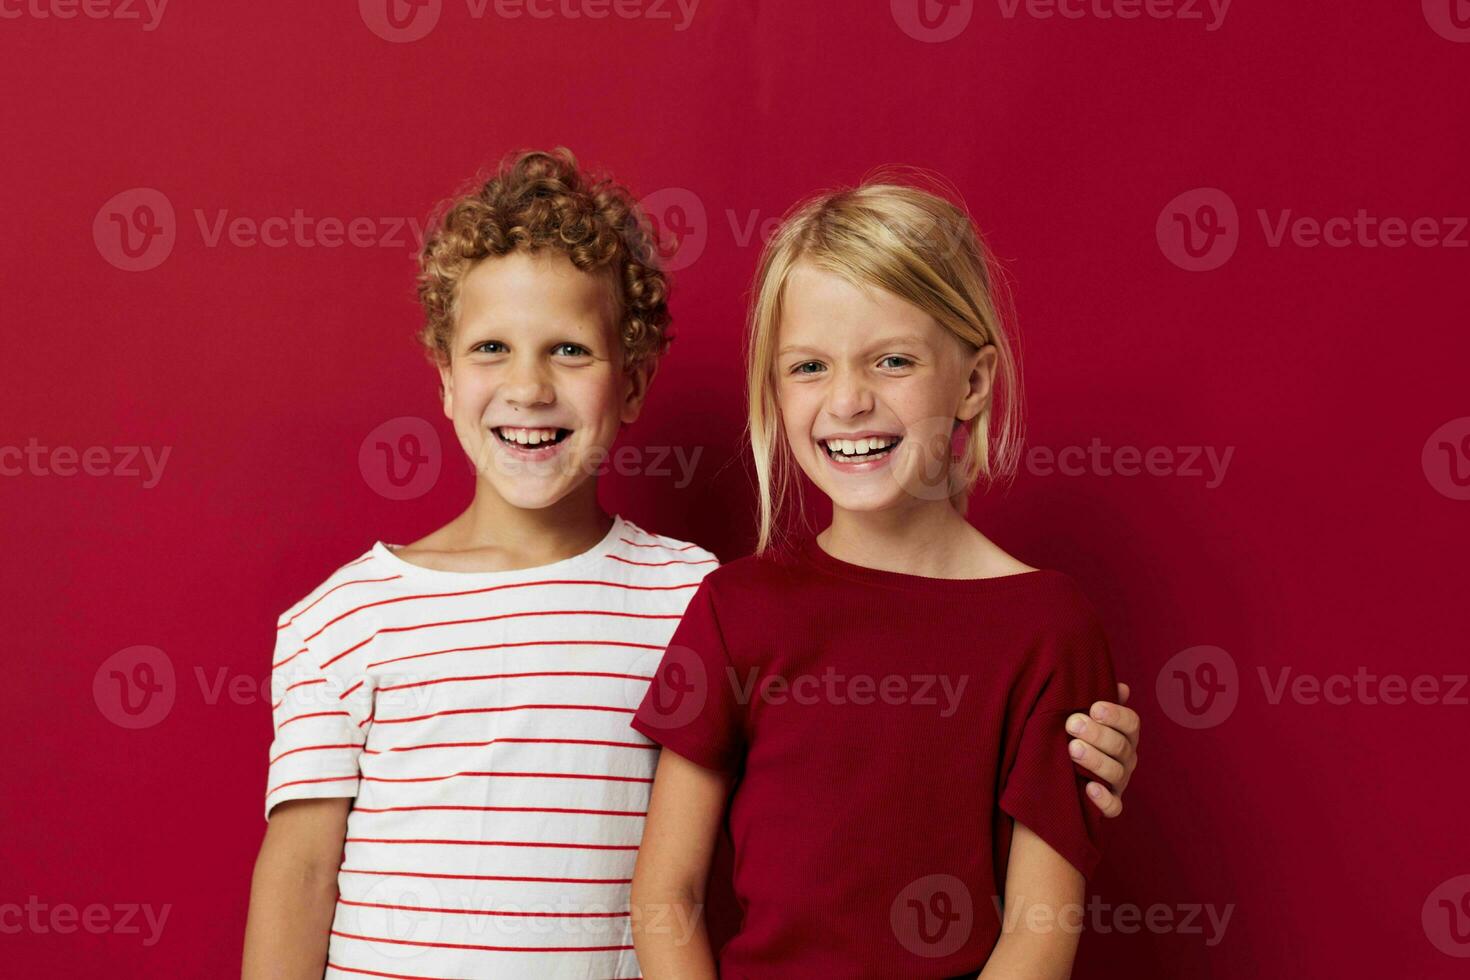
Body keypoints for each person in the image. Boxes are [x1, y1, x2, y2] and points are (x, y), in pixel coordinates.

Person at [242, 150, 1139, 979]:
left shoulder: (686, 592)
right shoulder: (346, 618)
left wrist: (1086, 745)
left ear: (630, 382)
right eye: (490, 349)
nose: (527, 387)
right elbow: (302, 873)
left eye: (569, 350)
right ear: (442, 377)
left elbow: (856, 777)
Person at [631, 177, 1133, 978]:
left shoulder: (1048, 626)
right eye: (810, 367)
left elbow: (1038, 935)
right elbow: (666, 896)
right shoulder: (735, 607)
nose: (849, 400)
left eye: (892, 361)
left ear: (972, 383)